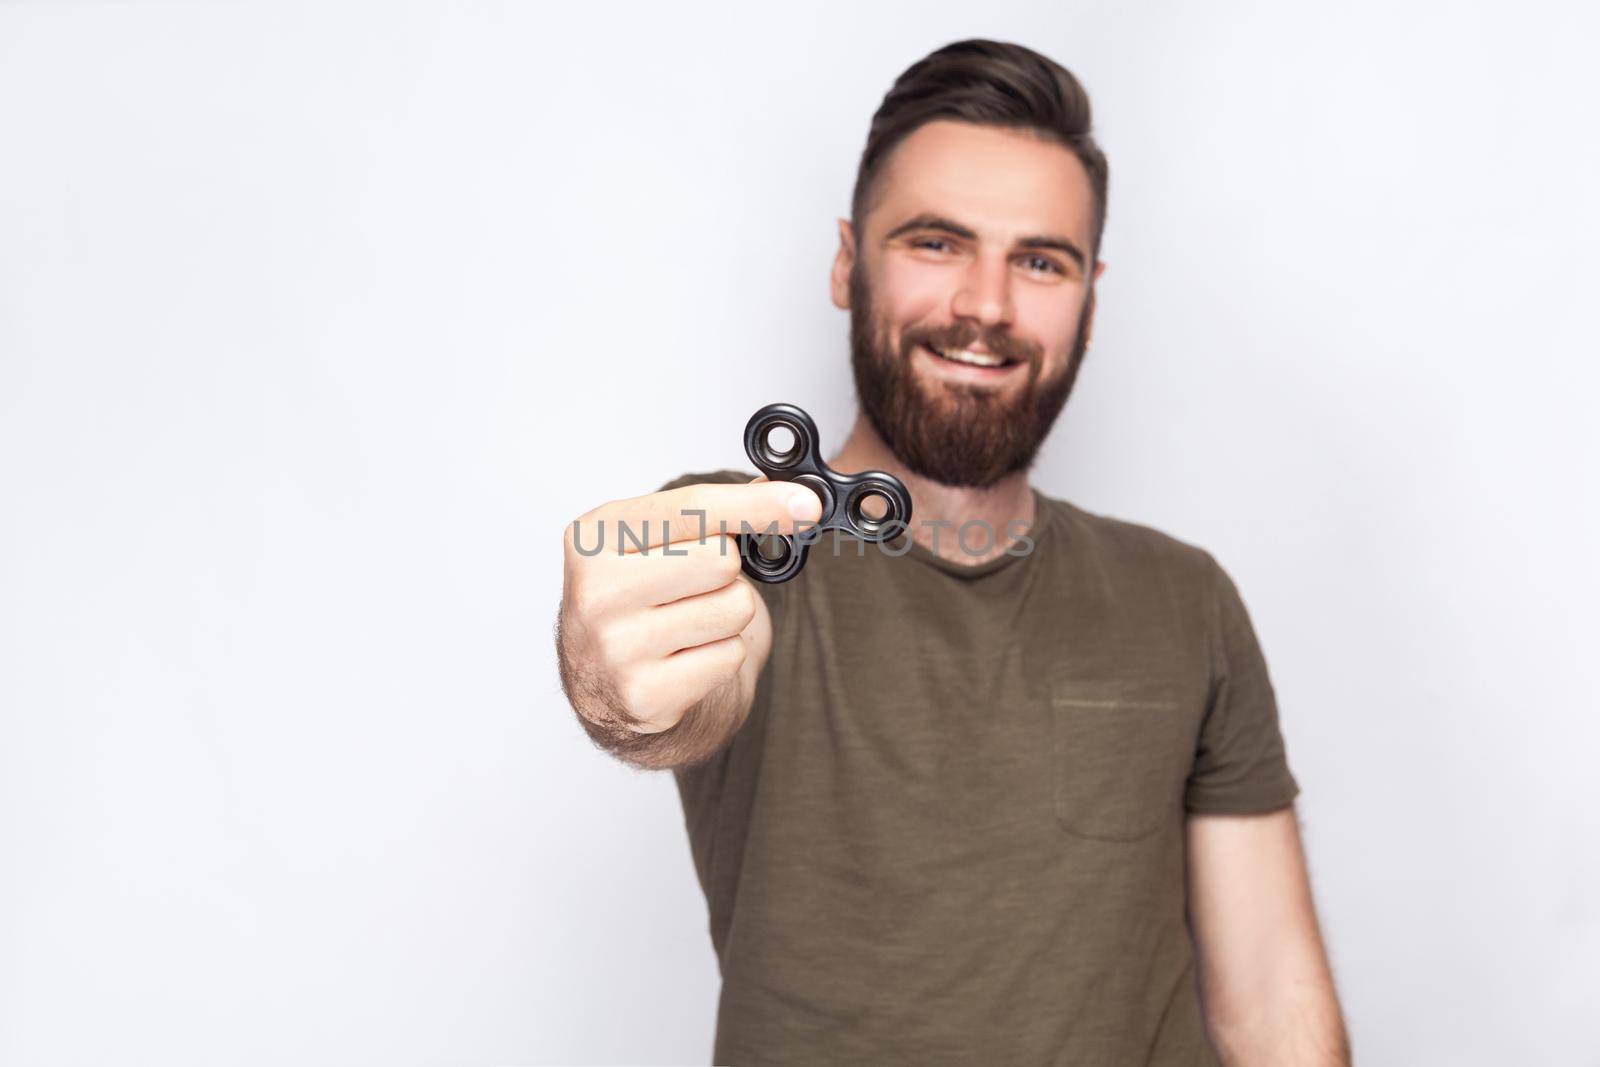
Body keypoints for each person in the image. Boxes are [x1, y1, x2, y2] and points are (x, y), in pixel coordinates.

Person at [557, 38, 1350, 1066]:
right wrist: (614, 689)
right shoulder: (732, 543)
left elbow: (1270, 1001)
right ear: (848, 263)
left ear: (1091, 299)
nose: (986, 304)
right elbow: (670, 696)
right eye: (936, 242)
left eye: (1039, 260)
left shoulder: (1184, 597)